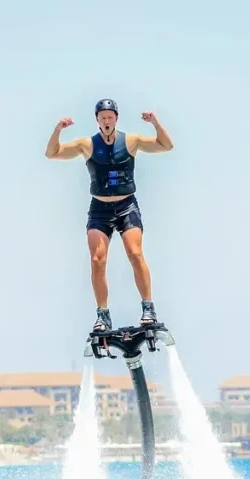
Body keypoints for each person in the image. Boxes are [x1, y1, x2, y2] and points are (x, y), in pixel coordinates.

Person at [45, 98, 174, 333]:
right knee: (97, 260)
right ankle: (102, 314)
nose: (106, 120)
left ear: (116, 118)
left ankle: (148, 307)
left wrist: (155, 122)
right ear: (97, 120)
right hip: (99, 209)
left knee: (135, 253)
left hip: (127, 206)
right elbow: (52, 153)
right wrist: (58, 129)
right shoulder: (87, 145)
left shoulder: (131, 141)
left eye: (110, 117)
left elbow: (166, 146)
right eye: (102, 117)